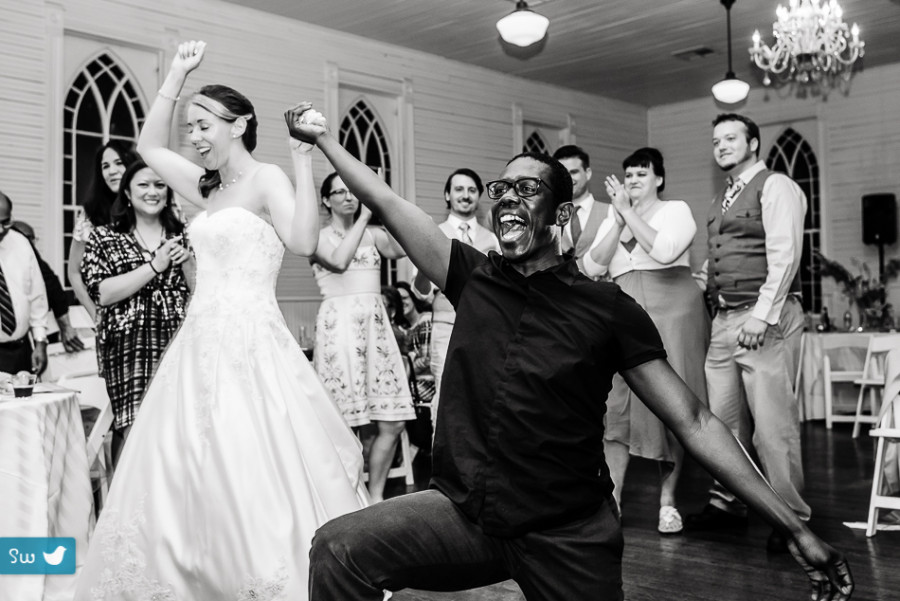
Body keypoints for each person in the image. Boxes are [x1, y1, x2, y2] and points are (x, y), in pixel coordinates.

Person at [287, 112, 854, 601]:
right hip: (464, 513)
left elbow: (695, 420)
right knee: (337, 549)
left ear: (561, 217)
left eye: (527, 190)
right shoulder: (472, 277)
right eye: (500, 190)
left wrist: (791, 523)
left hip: (567, 531)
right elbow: (385, 199)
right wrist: (323, 141)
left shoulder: (605, 307)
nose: (508, 197)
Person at [74, 41, 367, 601]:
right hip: (197, 344)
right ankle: (191, 572)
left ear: (240, 125)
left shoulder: (265, 180)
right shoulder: (205, 189)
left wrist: (303, 161)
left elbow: (306, 240)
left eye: (206, 125)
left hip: (252, 342)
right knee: (185, 461)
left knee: (249, 456)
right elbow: (146, 147)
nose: (197, 137)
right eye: (192, 128)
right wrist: (177, 77)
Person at [685, 114, 810, 554]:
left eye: (731, 138)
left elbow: (785, 253)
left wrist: (762, 314)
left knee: (772, 427)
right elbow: (716, 261)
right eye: (716, 140)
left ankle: (792, 519)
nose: (721, 146)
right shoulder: (722, 197)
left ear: (753, 143)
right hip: (722, 321)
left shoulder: (775, 186)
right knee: (721, 424)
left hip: (762, 320)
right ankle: (727, 503)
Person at [582, 148, 709, 534]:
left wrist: (630, 213)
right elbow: (591, 267)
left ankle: (668, 501)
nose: (633, 180)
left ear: (659, 179)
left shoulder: (676, 210)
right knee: (617, 408)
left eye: (641, 173)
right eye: (629, 174)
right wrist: (618, 222)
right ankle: (614, 500)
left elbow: (666, 250)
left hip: (674, 311)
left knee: (672, 403)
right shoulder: (615, 217)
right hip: (624, 314)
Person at [311, 171, 415, 503]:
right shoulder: (317, 236)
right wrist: (366, 217)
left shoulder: (373, 235)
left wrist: (381, 204)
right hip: (339, 332)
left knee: (392, 422)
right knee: (343, 424)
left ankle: (376, 497)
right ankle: (345, 497)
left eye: (352, 191)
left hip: (375, 330)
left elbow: (402, 248)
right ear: (326, 201)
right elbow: (339, 261)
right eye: (339, 192)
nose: (347, 197)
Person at [81, 159, 192, 466]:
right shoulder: (105, 237)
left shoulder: (185, 235)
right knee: (136, 433)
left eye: (160, 185)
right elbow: (102, 293)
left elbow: (203, 293)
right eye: (143, 185)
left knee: (180, 435)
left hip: (179, 343)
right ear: (127, 193)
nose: (153, 191)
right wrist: (155, 266)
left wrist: (187, 264)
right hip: (129, 348)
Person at [412, 168, 498, 424]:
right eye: (459, 189)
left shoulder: (493, 239)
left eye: (472, 190)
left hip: (485, 330)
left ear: (478, 197)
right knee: (446, 398)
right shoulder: (432, 233)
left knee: (483, 396)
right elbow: (420, 293)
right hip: (446, 329)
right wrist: (424, 265)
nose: (465, 195)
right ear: (447, 195)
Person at [68, 140, 140, 322]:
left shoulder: (149, 207)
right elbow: (74, 272)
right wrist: (96, 316)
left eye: (119, 163)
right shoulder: (91, 215)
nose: (112, 171)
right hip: (111, 317)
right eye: (105, 166)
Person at [12, 221, 84, 352]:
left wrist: (65, 326)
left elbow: (51, 284)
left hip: (32, 334)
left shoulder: (29, 257)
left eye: (32, 240)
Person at [0, 191, 49, 375]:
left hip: (21, 351)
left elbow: (37, 295)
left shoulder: (20, 243)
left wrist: (40, 341)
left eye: (5, 222)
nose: (0, 230)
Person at [552, 144, 609, 277]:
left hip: (601, 293)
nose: (568, 178)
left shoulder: (611, 212)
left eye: (574, 172)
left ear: (587, 173)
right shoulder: (548, 216)